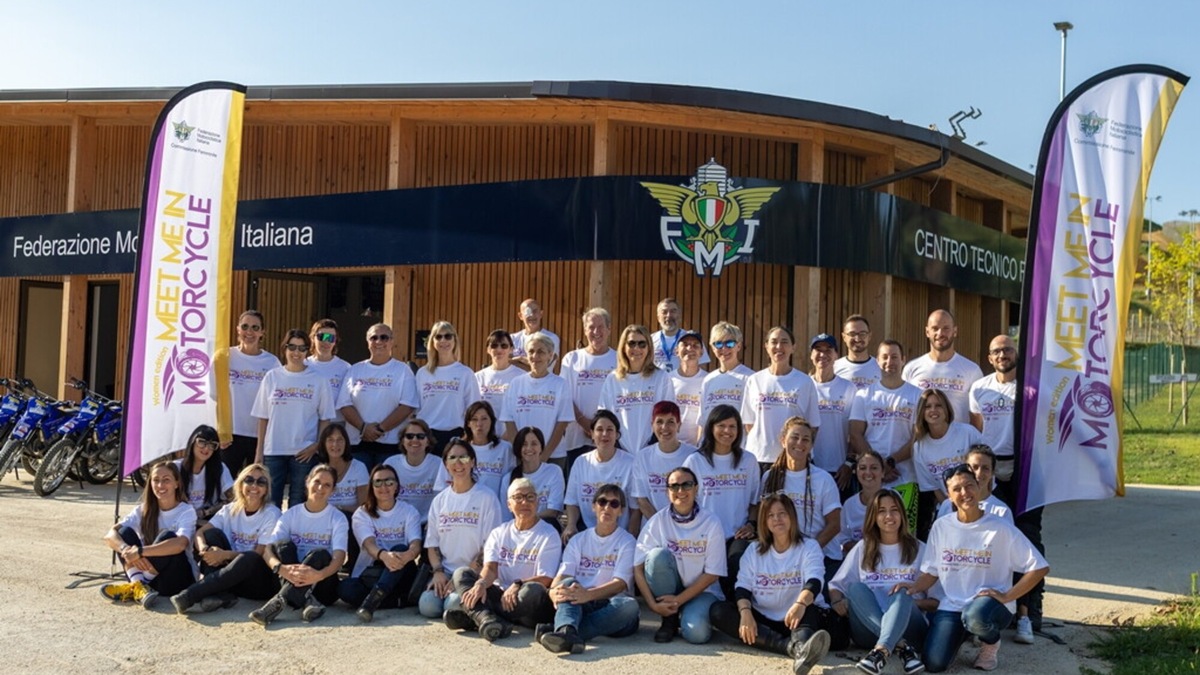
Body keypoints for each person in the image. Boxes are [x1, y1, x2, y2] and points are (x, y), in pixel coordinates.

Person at [903, 465, 1049, 672]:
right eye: (957, 489)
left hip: (990, 606)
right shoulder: (941, 526)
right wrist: (910, 589)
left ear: (979, 486)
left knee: (974, 617)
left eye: (969, 485)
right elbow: (932, 571)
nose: (964, 493)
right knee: (933, 663)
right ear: (948, 495)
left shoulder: (1000, 527)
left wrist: (1008, 596)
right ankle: (963, 633)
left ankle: (990, 643)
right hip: (952, 605)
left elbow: (1039, 567)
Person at [709, 493, 833, 675]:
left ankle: (800, 645)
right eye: (770, 515)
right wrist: (745, 612)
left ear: (792, 515)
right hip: (763, 617)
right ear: (764, 521)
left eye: (782, 513)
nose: (777, 519)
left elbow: (814, 581)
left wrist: (800, 604)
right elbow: (742, 587)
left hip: (797, 614)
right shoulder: (754, 550)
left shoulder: (809, 546)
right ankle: (792, 648)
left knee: (810, 609)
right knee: (718, 612)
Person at [970, 334, 1043, 642]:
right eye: (996, 351)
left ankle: (1028, 613)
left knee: (1028, 539)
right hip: (990, 469)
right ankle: (989, 609)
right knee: (990, 539)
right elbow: (976, 429)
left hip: (1025, 468)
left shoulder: (1030, 389)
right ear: (989, 358)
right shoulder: (979, 388)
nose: (1002, 355)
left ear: (1017, 353)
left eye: (1008, 350)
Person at [828, 489, 931, 675]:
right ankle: (898, 648)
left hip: (911, 628)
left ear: (902, 513)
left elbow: (937, 602)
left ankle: (883, 650)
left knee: (901, 592)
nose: (889, 516)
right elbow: (836, 587)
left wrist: (905, 603)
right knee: (856, 588)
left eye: (894, 510)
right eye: (881, 511)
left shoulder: (920, 549)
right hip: (868, 631)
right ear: (873, 517)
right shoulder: (864, 547)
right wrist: (836, 601)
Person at [445, 478, 562, 640]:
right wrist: (481, 583)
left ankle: (480, 616)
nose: (524, 502)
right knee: (462, 573)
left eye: (530, 497)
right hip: (500, 594)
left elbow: (546, 578)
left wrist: (518, 584)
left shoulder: (549, 534)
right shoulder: (499, 532)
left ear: (537, 501)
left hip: (524, 600)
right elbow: (491, 568)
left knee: (533, 590)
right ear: (509, 505)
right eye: (518, 497)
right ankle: (487, 619)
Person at [540, 483, 640, 654]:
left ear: (621, 511)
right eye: (602, 502)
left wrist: (589, 595)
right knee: (568, 583)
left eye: (614, 504)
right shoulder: (578, 539)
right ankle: (568, 633)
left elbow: (620, 584)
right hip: (580, 601)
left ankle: (565, 629)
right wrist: (552, 591)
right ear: (594, 506)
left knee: (630, 605)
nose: (607, 507)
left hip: (611, 604)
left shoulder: (628, 541)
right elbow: (563, 574)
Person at [170, 463, 283, 614]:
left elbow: (260, 553)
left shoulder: (272, 513)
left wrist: (224, 555)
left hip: (256, 581)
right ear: (240, 484)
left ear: (266, 489)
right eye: (249, 480)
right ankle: (219, 595)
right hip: (229, 575)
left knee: (249, 557)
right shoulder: (229, 509)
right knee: (211, 535)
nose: (254, 486)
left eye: (261, 482)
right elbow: (199, 533)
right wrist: (206, 550)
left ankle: (191, 595)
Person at [634, 466, 726, 644]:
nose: (681, 491)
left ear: (696, 488)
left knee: (697, 635)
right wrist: (652, 605)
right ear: (667, 491)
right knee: (656, 557)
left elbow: (712, 574)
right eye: (674, 486)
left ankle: (684, 612)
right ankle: (669, 620)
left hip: (702, 591)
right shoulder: (658, 521)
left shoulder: (711, 522)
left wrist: (679, 600)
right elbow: (637, 567)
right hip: (671, 589)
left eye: (687, 485)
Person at [249, 464, 348, 626]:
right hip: (287, 577)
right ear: (307, 482)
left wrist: (320, 575)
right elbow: (268, 549)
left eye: (327, 485)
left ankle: (280, 602)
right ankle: (308, 601)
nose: (321, 488)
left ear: (333, 490)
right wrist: (281, 569)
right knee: (283, 544)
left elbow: (339, 557)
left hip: (322, 584)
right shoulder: (291, 514)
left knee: (321, 554)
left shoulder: (337, 518)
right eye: (316, 482)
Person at [418, 439, 503, 620]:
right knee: (427, 606)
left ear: (472, 462)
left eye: (463, 458)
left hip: (473, 573)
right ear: (446, 465)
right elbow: (432, 544)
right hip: (446, 571)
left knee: (453, 604)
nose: (458, 463)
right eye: (453, 458)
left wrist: (461, 579)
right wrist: (438, 572)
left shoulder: (487, 498)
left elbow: (489, 547)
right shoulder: (440, 500)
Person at [683, 405, 760, 600]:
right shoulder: (695, 461)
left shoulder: (749, 460)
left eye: (732, 426)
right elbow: (685, 502)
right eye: (722, 425)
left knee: (736, 564)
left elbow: (755, 501)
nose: (727, 431)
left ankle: (738, 614)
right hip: (705, 536)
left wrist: (751, 524)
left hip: (737, 535)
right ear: (711, 427)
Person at [252, 329, 336, 508]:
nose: (296, 353)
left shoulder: (319, 380)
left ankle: (293, 537)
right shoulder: (271, 377)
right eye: (292, 347)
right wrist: (259, 454)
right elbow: (263, 417)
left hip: (304, 453)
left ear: (308, 350)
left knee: (298, 502)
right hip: (273, 451)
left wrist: (315, 447)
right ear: (285, 348)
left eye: (302, 348)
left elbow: (325, 419)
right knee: (270, 503)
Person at [101, 461, 196, 608]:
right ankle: (139, 587)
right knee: (123, 532)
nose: (160, 485)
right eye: (156, 480)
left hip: (175, 578)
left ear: (177, 483)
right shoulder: (143, 509)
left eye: (166, 480)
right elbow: (110, 535)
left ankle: (137, 585)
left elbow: (180, 544)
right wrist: (126, 550)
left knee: (168, 536)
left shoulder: (186, 511)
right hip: (152, 577)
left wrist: (140, 552)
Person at [760, 417, 843, 582]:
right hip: (783, 557)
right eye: (794, 437)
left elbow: (834, 525)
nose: (800, 443)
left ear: (811, 446)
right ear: (783, 441)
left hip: (822, 555)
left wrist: (808, 551)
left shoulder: (824, 479)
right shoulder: (770, 477)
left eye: (806, 439)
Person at [338, 464, 423, 622]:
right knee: (345, 589)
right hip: (371, 571)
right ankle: (396, 601)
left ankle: (372, 603)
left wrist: (406, 556)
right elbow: (369, 545)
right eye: (378, 482)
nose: (383, 486)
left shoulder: (409, 511)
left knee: (400, 548)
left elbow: (415, 544)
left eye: (389, 482)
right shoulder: (362, 514)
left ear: (396, 486)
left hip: (402, 569)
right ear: (372, 487)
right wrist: (384, 556)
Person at [337, 323, 420, 467]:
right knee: (360, 487)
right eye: (373, 338)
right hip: (358, 443)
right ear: (367, 342)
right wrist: (364, 428)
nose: (379, 342)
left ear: (392, 341)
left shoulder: (403, 370)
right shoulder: (354, 370)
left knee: (386, 488)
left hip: (390, 445)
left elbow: (407, 406)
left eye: (384, 337)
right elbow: (344, 404)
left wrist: (380, 430)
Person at [849, 340, 922, 498]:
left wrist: (891, 462)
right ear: (877, 361)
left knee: (903, 523)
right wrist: (879, 466)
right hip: (871, 479)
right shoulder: (864, 395)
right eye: (885, 357)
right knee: (869, 522)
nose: (890, 362)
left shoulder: (917, 395)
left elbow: (918, 436)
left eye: (895, 357)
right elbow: (855, 434)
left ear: (903, 359)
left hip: (906, 478)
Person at [742, 326, 822, 468]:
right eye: (774, 342)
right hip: (760, 457)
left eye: (785, 342)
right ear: (766, 346)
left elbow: (812, 426)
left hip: (793, 459)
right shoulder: (754, 380)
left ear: (793, 347)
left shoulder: (805, 382)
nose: (779, 347)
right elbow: (749, 424)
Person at [911, 388, 982, 539]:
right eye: (927, 406)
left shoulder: (968, 433)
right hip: (949, 507)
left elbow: (985, 471)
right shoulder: (919, 447)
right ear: (921, 412)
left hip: (980, 502)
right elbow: (933, 487)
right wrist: (955, 507)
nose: (933, 410)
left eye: (938, 405)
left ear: (946, 409)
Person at [563, 411, 637, 540]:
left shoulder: (630, 463)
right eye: (599, 429)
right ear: (591, 434)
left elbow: (635, 509)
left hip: (619, 534)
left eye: (610, 430)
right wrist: (571, 525)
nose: (604, 434)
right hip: (587, 532)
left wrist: (630, 538)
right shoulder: (581, 462)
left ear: (617, 435)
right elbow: (572, 501)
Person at [559, 307, 618, 471]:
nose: (596, 331)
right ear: (585, 330)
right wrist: (586, 425)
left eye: (601, 327)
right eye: (591, 327)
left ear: (609, 329)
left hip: (610, 438)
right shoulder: (572, 359)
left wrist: (601, 429)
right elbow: (564, 396)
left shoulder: (619, 359)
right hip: (577, 438)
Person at [222, 310, 280, 474]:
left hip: (260, 436)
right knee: (224, 488)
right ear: (238, 329)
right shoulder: (224, 357)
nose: (250, 332)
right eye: (245, 326)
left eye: (255, 327)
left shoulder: (272, 362)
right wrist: (219, 431)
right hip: (230, 436)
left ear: (262, 332)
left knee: (256, 488)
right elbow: (213, 397)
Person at [598, 324, 674, 449]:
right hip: (620, 451)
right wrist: (616, 444)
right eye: (631, 343)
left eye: (642, 344)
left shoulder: (661, 378)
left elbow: (668, 414)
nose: (637, 348)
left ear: (649, 347)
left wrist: (654, 444)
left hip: (652, 448)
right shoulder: (613, 379)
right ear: (623, 347)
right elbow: (604, 415)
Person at [901, 310, 983, 424]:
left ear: (955, 331)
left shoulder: (972, 370)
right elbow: (906, 410)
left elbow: (979, 415)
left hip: (959, 440)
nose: (940, 333)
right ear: (927, 332)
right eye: (935, 328)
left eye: (946, 328)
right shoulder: (911, 368)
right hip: (923, 440)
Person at [417, 321, 480, 455]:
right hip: (427, 437)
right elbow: (416, 408)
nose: (443, 340)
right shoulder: (423, 373)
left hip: (455, 436)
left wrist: (467, 436)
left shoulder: (465, 373)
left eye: (448, 336)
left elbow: (473, 409)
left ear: (455, 340)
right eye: (438, 337)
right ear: (432, 341)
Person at [631, 401, 698, 520]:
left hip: (687, 529)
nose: (664, 427)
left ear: (679, 425)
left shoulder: (694, 455)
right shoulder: (642, 457)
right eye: (659, 422)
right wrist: (662, 525)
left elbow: (698, 496)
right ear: (652, 425)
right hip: (653, 529)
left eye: (670, 422)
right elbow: (642, 500)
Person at [809, 333, 857, 493]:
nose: (823, 355)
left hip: (839, 471)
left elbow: (855, 431)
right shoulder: (804, 385)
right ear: (811, 355)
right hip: (810, 467)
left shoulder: (848, 388)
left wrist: (849, 464)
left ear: (836, 354)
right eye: (818, 350)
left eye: (828, 350)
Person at [316, 423, 368, 566]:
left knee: (350, 520)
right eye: (330, 440)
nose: (335, 444)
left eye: (340, 440)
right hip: (324, 517)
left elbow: (363, 505)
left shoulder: (359, 467)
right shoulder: (317, 469)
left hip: (351, 517)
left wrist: (339, 508)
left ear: (346, 443)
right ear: (323, 444)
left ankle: (353, 567)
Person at [445, 401, 514, 499]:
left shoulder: (505, 449)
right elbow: (443, 484)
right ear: (468, 423)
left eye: (484, 419)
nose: (479, 424)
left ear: (492, 421)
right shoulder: (457, 449)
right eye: (474, 419)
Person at [499, 426, 565, 526]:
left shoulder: (554, 471)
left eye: (534, 444)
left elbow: (553, 511)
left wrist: (527, 522)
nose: (529, 448)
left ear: (541, 447)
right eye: (524, 444)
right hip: (517, 529)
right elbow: (506, 516)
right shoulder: (508, 479)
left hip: (544, 527)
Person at [384, 419, 443, 526]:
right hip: (398, 524)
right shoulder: (391, 464)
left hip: (430, 524)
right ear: (402, 441)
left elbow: (444, 500)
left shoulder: (439, 464)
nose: (415, 440)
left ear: (428, 441)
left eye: (420, 436)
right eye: (409, 436)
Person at [934, 445, 1011, 524]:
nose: (979, 473)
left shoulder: (1002, 511)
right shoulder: (947, 506)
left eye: (985, 468)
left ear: (992, 473)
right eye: (975, 467)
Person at [700, 321, 755, 425]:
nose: (724, 349)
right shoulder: (708, 380)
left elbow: (752, 421)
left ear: (738, 346)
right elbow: (702, 421)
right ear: (712, 348)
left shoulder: (750, 378)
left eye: (729, 343)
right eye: (719, 344)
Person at [175, 424, 233, 522]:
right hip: (179, 519)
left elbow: (234, 498)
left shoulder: (220, 468)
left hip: (209, 520)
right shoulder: (176, 468)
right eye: (202, 442)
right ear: (192, 442)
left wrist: (207, 512)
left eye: (212, 445)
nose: (206, 449)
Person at [838, 450, 885, 555]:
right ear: (856, 472)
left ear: (883, 472)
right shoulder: (849, 504)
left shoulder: (894, 498)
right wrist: (865, 549)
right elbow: (843, 540)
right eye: (863, 468)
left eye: (874, 468)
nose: (868, 472)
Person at [306, 318, 351, 425]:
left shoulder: (345, 368)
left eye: (331, 338)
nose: (326, 342)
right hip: (308, 424)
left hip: (336, 425)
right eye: (322, 337)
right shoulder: (304, 365)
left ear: (336, 341)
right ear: (313, 338)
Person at [651, 297, 710, 371]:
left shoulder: (692, 339)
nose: (669, 315)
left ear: (679, 316)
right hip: (658, 382)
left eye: (673, 311)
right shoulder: (650, 340)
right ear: (658, 318)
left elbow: (702, 367)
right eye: (664, 312)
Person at [670, 331, 708, 444]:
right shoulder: (666, 380)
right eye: (685, 344)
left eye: (695, 345)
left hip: (698, 449)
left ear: (701, 352)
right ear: (676, 351)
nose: (690, 348)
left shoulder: (708, 380)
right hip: (671, 446)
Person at [475, 329, 522, 416]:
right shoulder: (477, 377)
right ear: (488, 349)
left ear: (511, 349)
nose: (499, 350)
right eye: (494, 345)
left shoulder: (521, 377)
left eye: (504, 346)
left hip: (512, 428)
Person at [510, 298, 561, 371]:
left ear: (541, 314)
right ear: (520, 316)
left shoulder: (551, 338)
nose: (532, 315)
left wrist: (519, 359)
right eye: (527, 311)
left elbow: (544, 366)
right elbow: (505, 362)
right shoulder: (512, 339)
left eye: (535, 311)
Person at [834, 314, 882, 390]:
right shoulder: (835, 368)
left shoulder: (881, 368)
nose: (857, 339)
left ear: (869, 336)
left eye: (862, 334)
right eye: (852, 334)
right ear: (844, 337)